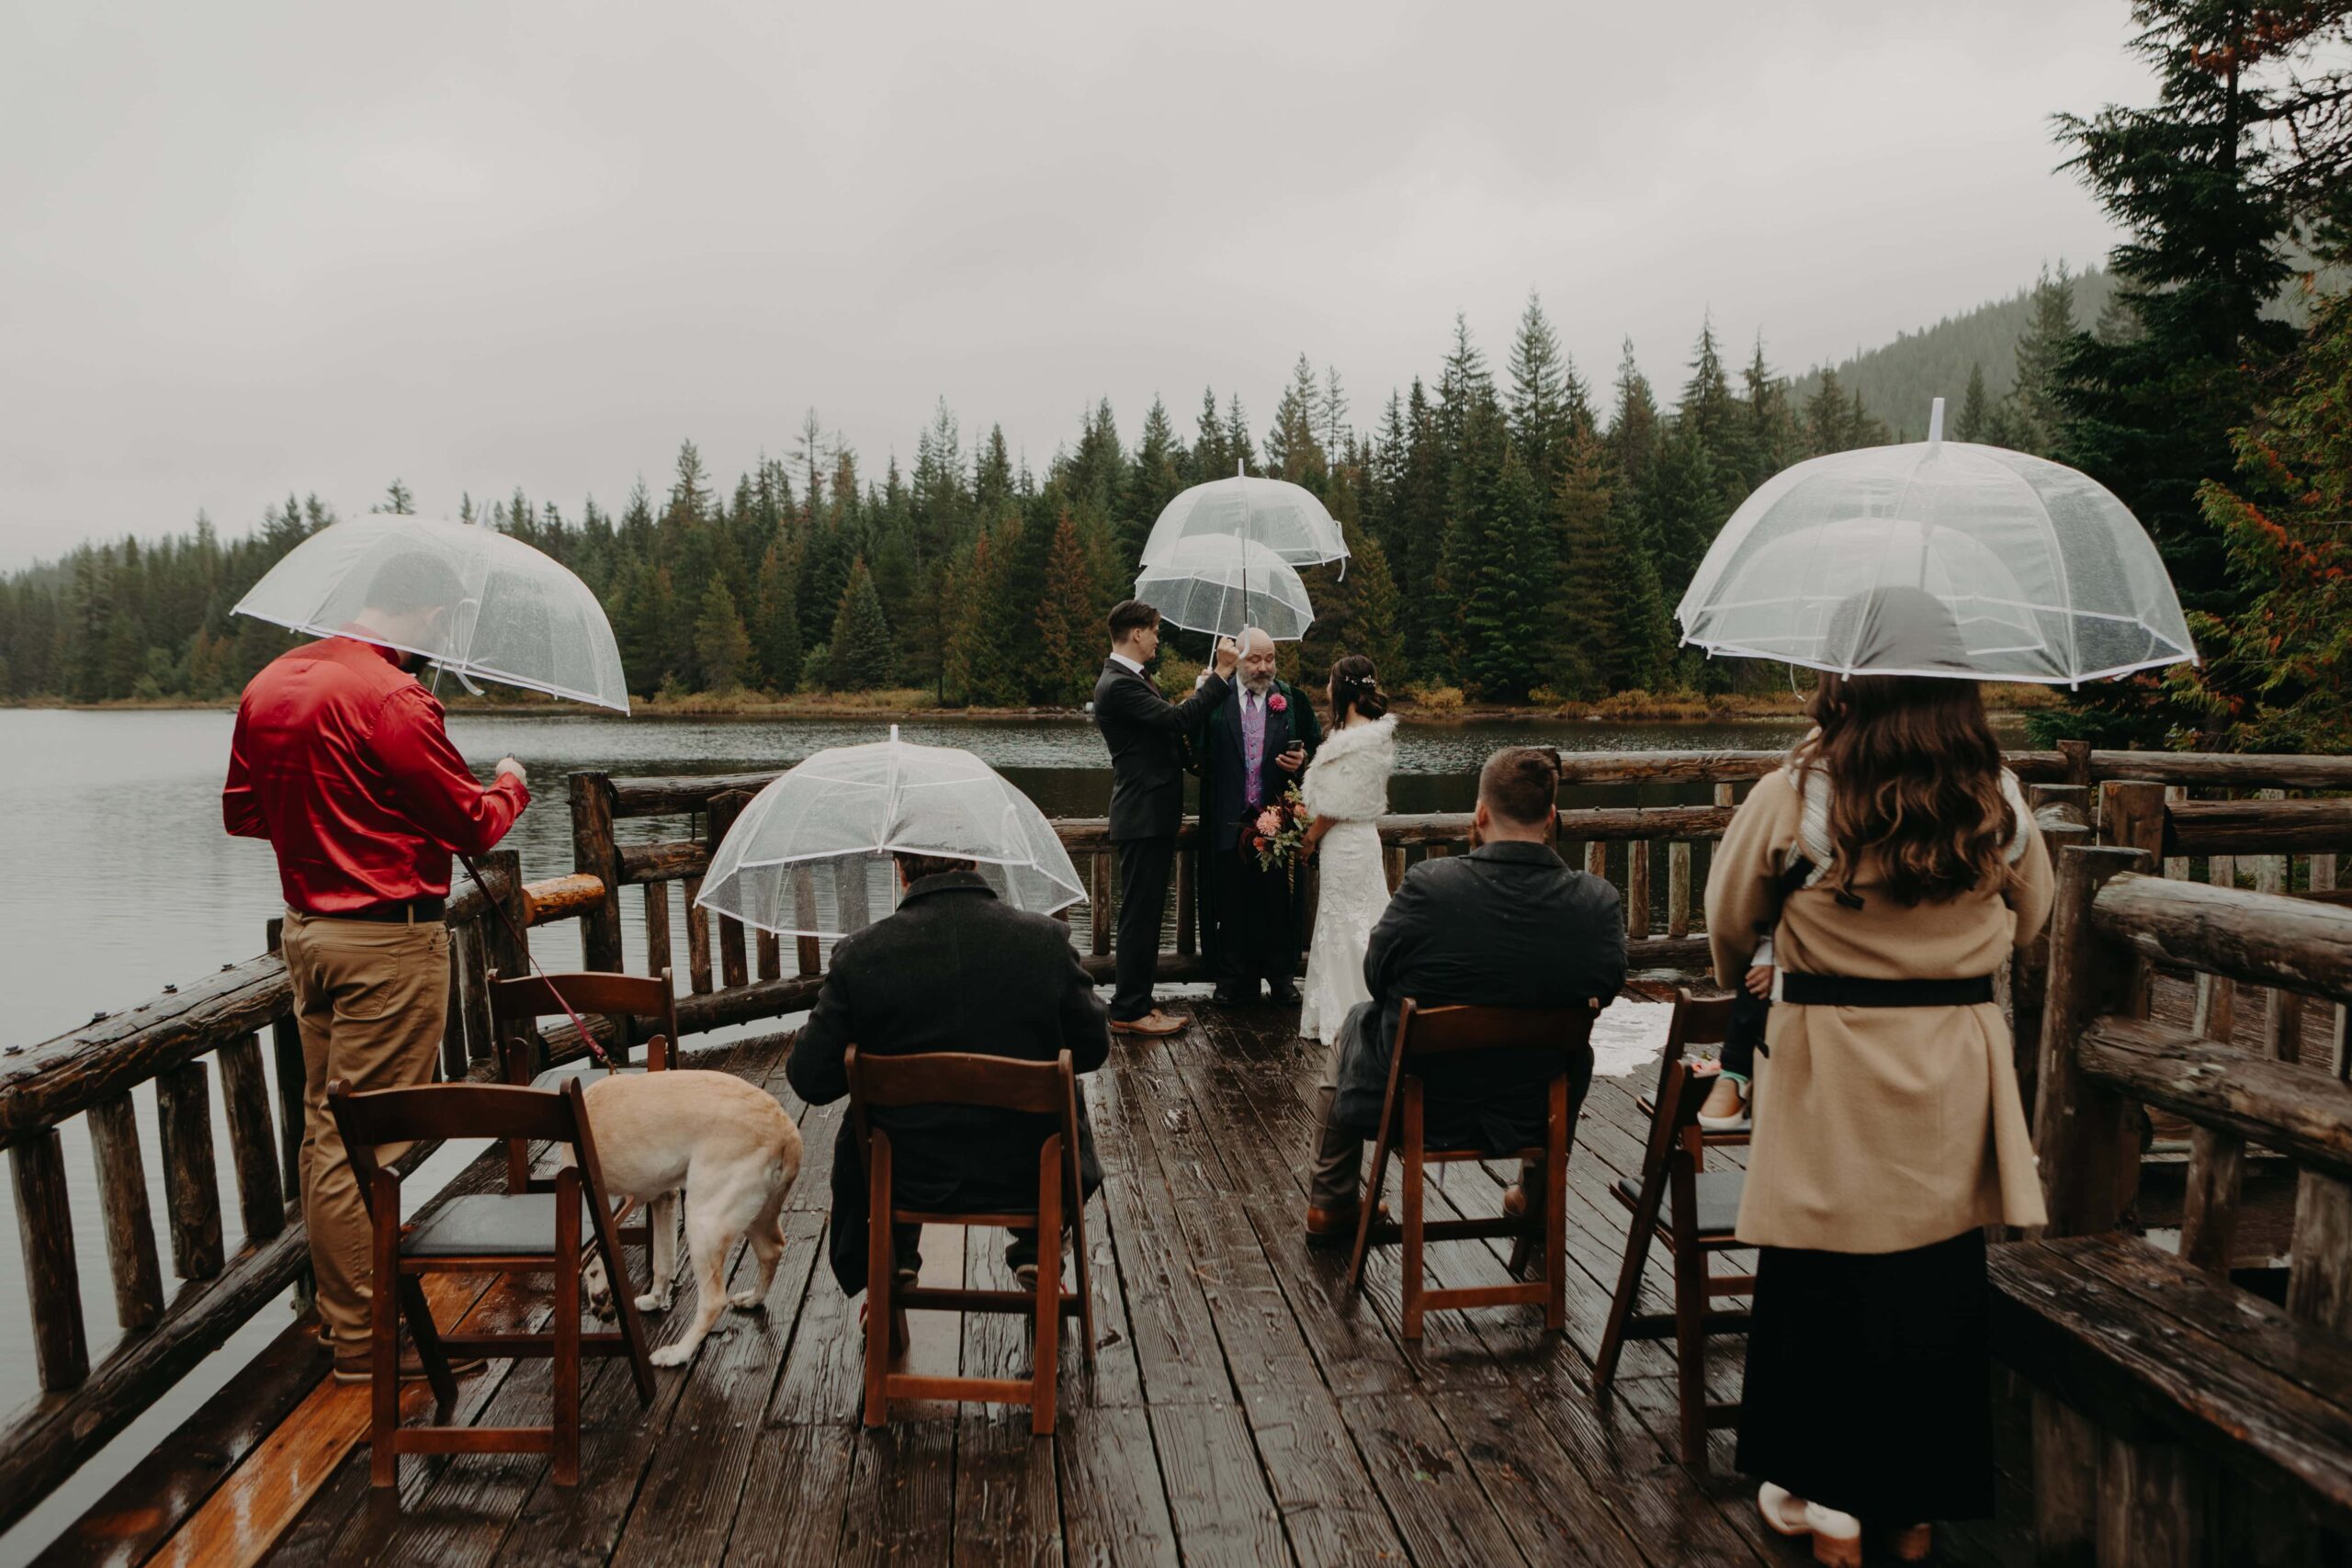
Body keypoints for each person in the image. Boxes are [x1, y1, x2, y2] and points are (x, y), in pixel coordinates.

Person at [1705, 592, 2051, 1566]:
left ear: (1845, 680)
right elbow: (2034, 918)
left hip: (1829, 1066)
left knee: (1820, 1277)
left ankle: (1829, 1504)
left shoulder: (1798, 795)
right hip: (1950, 1070)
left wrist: (1755, 982)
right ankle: (1913, 1508)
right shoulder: (1999, 797)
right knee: (1932, 1282)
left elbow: (1730, 921)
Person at [222, 566, 529, 1385]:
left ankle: (342, 1321)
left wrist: (333, 824)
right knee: (371, 1141)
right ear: (426, 609)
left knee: (328, 1133)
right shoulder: (393, 698)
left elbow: (247, 811)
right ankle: (368, 1346)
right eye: (447, 621)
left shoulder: (271, 683)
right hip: (386, 946)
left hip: (309, 936)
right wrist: (510, 786)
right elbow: (469, 822)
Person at [1303, 747, 1625, 1243]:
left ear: (1479, 813)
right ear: (1552, 817)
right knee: (1571, 1043)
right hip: (1532, 1108)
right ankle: (1534, 1197)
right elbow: (1605, 989)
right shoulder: (1597, 903)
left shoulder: (1430, 886)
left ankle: (1330, 1202)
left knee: (1355, 1022)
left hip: (1428, 1102)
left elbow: (1376, 976)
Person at [786, 852, 1114, 1295]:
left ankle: (894, 1256)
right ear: (975, 864)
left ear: (899, 870)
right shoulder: (1045, 941)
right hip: (1025, 1174)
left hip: (906, 1177)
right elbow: (1093, 1048)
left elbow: (810, 1079)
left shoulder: (861, 954)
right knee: (1062, 1092)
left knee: (870, 1125)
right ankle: (1039, 1246)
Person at [1091, 602, 1237, 1036]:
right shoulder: (1117, 684)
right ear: (1136, 633)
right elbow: (1176, 721)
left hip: (1148, 814)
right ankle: (1129, 1010)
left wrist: (1201, 692)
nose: (1158, 638)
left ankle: (1137, 1002)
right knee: (1140, 915)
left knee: (1146, 913)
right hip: (1142, 815)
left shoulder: (1130, 679)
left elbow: (1167, 725)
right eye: (1154, 630)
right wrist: (1222, 675)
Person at [1194, 627, 1320, 1005]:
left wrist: (1303, 762)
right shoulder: (1215, 698)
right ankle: (1231, 978)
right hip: (1228, 816)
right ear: (1238, 661)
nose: (1264, 667)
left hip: (1277, 819)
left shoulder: (1292, 700)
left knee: (1278, 903)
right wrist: (1201, 692)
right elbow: (1192, 753)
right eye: (1255, 659)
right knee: (1230, 902)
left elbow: (1316, 749)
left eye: (1270, 659)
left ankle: (1282, 977)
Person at [1296, 654, 1396, 1043]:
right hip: (1350, 842)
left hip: (1349, 840)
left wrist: (1309, 837)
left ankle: (1354, 1013)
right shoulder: (1352, 736)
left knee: (1353, 923)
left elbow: (1338, 802)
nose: (1326, 688)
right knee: (1338, 921)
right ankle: (1336, 1008)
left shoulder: (1362, 741)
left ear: (1344, 689)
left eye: (1330, 681)